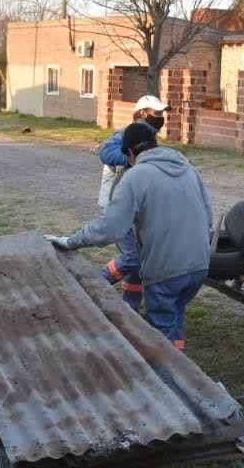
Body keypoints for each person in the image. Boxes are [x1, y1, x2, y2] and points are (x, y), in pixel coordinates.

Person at [47, 122, 212, 351]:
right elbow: (208, 215)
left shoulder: (136, 176)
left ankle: (167, 369)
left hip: (166, 270)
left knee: (161, 333)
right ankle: (181, 361)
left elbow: (110, 228)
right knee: (175, 313)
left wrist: (70, 241)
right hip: (200, 266)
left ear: (131, 153)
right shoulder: (187, 168)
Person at [95, 95, 169, 310]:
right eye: (157, 113)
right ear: (143, 113)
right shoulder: (126, 134)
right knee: (133, 257)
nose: (161, 118)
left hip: (135, 208)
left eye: (162, 114)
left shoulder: (150, 138)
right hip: (116, 206)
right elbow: (105, 153)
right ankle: (93, 284)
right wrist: (135, 157)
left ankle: (130, 308)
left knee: (139, 260)